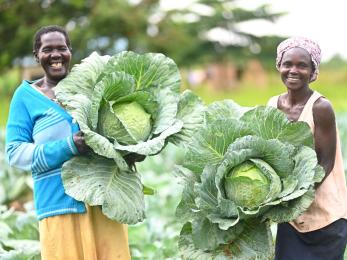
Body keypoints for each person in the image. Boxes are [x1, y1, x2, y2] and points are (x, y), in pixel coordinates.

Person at [6, 25, 131, 259]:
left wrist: (131, 150)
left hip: (106, 202)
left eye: (61, 48)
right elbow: (15, 153)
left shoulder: (93, 88)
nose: (55, 55)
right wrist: (68, 146)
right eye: (47, 49)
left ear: (70, 52)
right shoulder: (25, 97)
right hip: (58, 206)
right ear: (37, 56)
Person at [267, 37, 347, 260]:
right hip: (291, 218)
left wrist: (291, 196)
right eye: (287, 64)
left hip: (325, 217)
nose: (293, 70)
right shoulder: (272, 105)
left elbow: (325, 163)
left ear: (313, 72)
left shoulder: (321, 107)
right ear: (279, 67)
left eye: (302, 65)